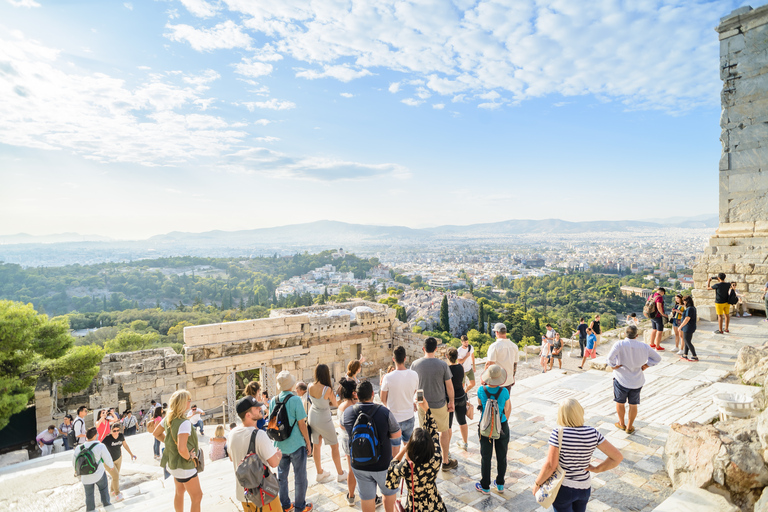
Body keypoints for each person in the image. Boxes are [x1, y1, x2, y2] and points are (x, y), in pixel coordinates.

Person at [532, 399, 623, 512]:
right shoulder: (593, 432)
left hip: (563, 488)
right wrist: (597, 469)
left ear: (561, 415)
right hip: (584, 487)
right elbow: (617, 457)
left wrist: (537, 483)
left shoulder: (558, 433)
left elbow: (551, 465)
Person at [342, 380, 401, 512]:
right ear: (373, 394)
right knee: (388, 493)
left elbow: (342, 426)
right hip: (383, 464)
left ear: (356, 395)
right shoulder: (384, 412)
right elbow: (397, 434)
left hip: (359, 464)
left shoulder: (348, 412)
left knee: (367, 498)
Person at [385, 398, 447, 512]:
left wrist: (404, 449)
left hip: (416, 507)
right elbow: (434, 432)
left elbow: (391, 476)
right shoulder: (436, 458)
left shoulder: (407, 467)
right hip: (435, 505)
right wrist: (427, 409)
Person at [153, 389, 204, 512]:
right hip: (185, 467)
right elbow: (182, 449)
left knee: (179, 492)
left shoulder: (168, 419)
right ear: (182, 403)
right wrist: (189, 458)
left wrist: (168, 443)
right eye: (189, 400)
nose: (190, 402)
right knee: (197, 497)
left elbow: (156, 433)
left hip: (173, 465)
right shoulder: (184, 423)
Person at [411, 337, 457, 471]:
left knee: (425, 433)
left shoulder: (415, 364)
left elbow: (413, 386)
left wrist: (413, 401)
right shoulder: (442, 364)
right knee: (444, 431)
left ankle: (427, 459)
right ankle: (445, 461)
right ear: (436, 349)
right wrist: (452, 402)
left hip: (422, 404)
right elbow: (449, 386)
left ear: (423, 349)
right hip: (440, 403)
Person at [229, 395, 281, 512]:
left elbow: (232, 458)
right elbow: (274, 463)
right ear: (248, 415)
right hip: (263, 494)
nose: (260, 408)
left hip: (244, 494)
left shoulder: (232, 434)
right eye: (256, 408)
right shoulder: (259, 435)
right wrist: (278, 456)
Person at [606, 325, 662, 434]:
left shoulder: (619, 344)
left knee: (620, 402)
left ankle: (621, 423)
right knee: (633, 404)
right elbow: (657, 358)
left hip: (621, 378)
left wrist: (613, 365)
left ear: (624, 334)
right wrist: (647, 365)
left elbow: (609, 359)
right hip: (637, 380)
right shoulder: (644, 346)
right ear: (637, 335)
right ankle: (629, 427)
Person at [270, 371, 313, 512]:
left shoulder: (273, 400)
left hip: (279, 446)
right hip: (296, 445)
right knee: (300, 477)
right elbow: (302, 424)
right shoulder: (295, 400)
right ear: (291, 384)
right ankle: (300, 507)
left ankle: (285, 505)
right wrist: (308, 442)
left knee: (282, 477)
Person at [475, 365, 511, 494]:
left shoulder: (481, 390)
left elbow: (480, 405)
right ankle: (500, 484)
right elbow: (508, 409)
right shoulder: (504, 392)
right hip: (501, 427)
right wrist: (501, 421)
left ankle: (485, 486)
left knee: (486, 457)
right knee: (502, 456)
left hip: (485, 428)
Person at [308, 364, 347, 484]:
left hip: (312, 416)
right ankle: (340, 473)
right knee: (334, 445)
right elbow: (335, 403)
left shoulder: (310, 386)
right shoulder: (327, 389)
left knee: (316, 445)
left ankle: (320, 472)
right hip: (324, 418)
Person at [380, 346, 419, 452]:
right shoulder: (414, 375)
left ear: (393, 359)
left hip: (394, 418)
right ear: (405, 358)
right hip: (409, 416)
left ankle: (395, 468)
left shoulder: (388, 377)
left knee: (395, 448)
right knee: (408, 447)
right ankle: (409, 467)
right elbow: (414, 391)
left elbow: (383, 399)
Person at [73, 427, 114, 512]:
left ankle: (91, 509)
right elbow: (108, 458)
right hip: (98, 474)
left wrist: (77, 471)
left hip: (85, 476)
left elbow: (74, 462)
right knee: (103, 489)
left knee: (89, 494)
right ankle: (107, 505)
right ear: (95, 435)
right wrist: (111, 466)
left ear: (86, 436)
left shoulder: (79, 448)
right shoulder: (100, 446)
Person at [336, 378, 360, 506]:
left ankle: (351, 496)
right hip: (356, 440)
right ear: (353, 392)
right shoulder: (354, 407)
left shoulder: (340, 406)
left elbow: (341, 426)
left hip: (345, 441)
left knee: (351, 469)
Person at [103, 422, 137, 502]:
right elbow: (100, 448)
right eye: (114, 431)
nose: (116, 432)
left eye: (118, 430)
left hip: (118, 458)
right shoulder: (107, 439)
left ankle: (112, 491)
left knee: (115, 476)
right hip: (108, 462)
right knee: (116, 476)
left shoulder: (121, 436)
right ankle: (118, 494)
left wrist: (131, 454)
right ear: (111, 431)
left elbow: (125, 445)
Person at [485, 323, 519, 391]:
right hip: (508, 380)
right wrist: (512, 377)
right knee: (506, 400)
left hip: (496, 381)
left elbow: (489, 364)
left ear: (497, 332)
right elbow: (515, 364)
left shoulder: (494, 346)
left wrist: (485, 378)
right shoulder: (514, 346)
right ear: (505, 332)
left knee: (494, 401)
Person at [446, 348, 469, 451]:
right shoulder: (461, 367)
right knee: (462, 421)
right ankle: (465, 443)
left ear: (447, 356)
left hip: (450, 399)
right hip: (461, 395)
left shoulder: (446, 369)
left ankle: (447, 450)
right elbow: (462, 382)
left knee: (448, 425)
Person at [679, 295, 699, 362]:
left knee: (687, 341)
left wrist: (680, 326)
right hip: (690, 326)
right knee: (687, 341)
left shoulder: (689, 309)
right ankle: (685, 354)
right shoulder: (692, 308)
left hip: (688, 327)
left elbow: (687, 318)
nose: (683, 302)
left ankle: (694, 356)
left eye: (684, 301)